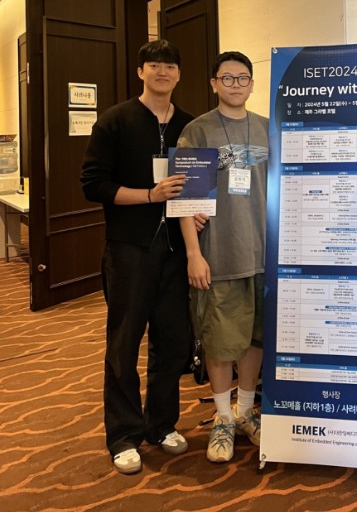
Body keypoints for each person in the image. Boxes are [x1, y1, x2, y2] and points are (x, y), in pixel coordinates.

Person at [81, 39, 194, 474]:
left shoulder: (188, 125)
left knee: (173, 342)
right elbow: (93, 185)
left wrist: (198, 210)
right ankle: (123, 435)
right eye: (154, 65)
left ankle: (161, 424)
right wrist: (150, 195)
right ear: (140, 72)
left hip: (176, 251)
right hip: (129, 250)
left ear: (179, 74)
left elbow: (198, 183)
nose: (162, 72)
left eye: (170, 65)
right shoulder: (115, 120)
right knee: (124, 343)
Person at [177, 51, 269, 463]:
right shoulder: (197, 131)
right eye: (227, 78)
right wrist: (193, 255)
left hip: (264, 254)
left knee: (254, 337)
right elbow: (186, 199)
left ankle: (245, 411)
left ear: (252, 83)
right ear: (213, 83)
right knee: (219, 340)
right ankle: (222, 418)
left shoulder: (268, 129)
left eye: (242, 77)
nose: (235, 84)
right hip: (219, 254)